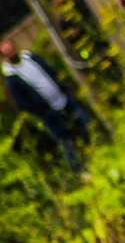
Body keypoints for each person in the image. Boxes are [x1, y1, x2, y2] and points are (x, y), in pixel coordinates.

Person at [1, 40, 91, 171]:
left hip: (62, 98)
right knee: (65, 140)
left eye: (11, 49)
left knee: (84, 120)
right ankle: (79, 169)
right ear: (4, 57)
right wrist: (42, 111)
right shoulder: (11, 79)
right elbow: (22, 103)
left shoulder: (31, 58)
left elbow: (50, 71)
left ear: (16, 47)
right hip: (48, 113)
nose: (11, 53)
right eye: (7, 53)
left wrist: (62, 86)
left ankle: (95, 149)